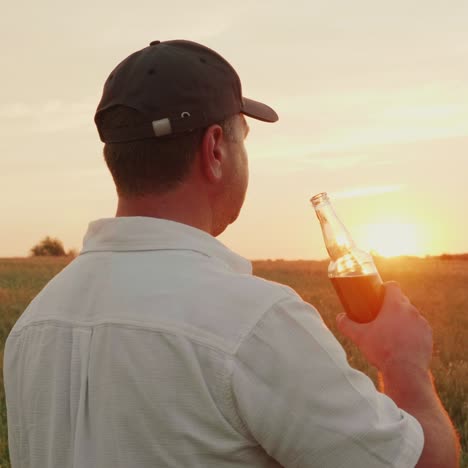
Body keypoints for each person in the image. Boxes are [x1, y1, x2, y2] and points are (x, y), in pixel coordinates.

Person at [4, 40, 460, 468]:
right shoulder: (256, 323)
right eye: (245, 137)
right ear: (216, 149)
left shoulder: (33, 326)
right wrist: (402, 361)